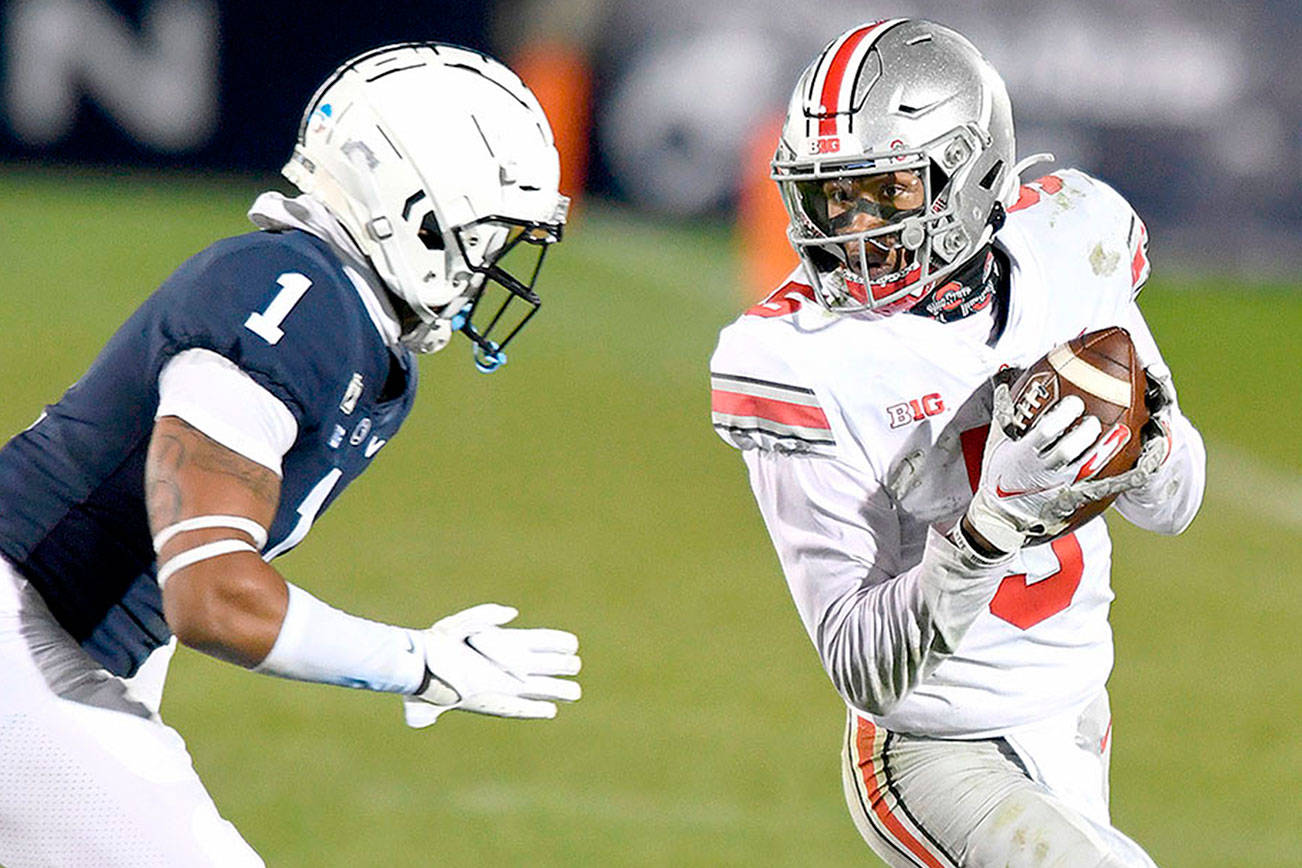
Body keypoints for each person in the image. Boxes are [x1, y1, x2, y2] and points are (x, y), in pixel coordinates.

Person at [0, 43, 581, 866]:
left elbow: (152, 592)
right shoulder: (291, 300)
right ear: (412, 206)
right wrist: (416, 663)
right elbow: (210, 594)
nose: (490, 267)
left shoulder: (346, 324)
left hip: (45, 644)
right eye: (486, 236)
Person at [710, 19, 1204, 867]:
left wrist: (1148, 451)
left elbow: (1178, 504)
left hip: (1079, 711)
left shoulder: (1072, 242)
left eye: (886, 192)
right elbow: (865, 671)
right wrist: (992, 524)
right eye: (833, 196)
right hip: (935, 749)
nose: (852, 229)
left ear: (973, 176)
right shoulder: (798, 360)